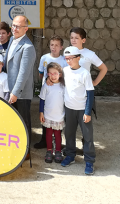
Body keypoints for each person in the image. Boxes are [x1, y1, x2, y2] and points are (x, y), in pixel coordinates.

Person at [4, 15, 36, 160]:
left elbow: (23, 73)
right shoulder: (12, 40)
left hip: (21, 93)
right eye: (13, 25)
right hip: (10, 89)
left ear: (26, 29)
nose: (15, 28)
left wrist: (15, 92)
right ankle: (15, 149)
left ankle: (26, 151)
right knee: (12, 122)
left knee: (23, 122)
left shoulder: (28, 47)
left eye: (18, 26)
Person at [61, 46, 95, 175]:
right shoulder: (64, 71)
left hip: (82, 110)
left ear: (78, 58)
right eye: (66, 58)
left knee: (87, 136)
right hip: (69, 108)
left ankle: (89, 161)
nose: (69, 61)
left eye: (71, 58)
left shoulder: (85, 73)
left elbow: (90, 93)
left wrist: (87, 112)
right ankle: (70, 155)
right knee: (69, 133)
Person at [34, 34, 68, 149]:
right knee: (45, 116)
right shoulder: (44, 58)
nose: (54, 47)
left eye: (57, 45)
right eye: (52, 45)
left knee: (58, 115)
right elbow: (40, 73)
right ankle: (44, 140)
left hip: (59, 93)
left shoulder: (64, 60)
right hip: (47, 92)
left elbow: (65, 76)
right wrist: (47, 80)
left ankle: (58, 141)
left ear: (61, 47)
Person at [39, 62, 65, 164]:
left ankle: (58, 151)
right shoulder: (46, 86)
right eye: (50, 74)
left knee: (58, 135)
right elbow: (42, 99)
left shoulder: (63, 86)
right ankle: (49, 151)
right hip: (48, 115)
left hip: (59, 116)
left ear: (60, 74)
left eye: (55, 73)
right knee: (48, 134)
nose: (53, 76)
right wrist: (41, 112)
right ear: (48, 75)